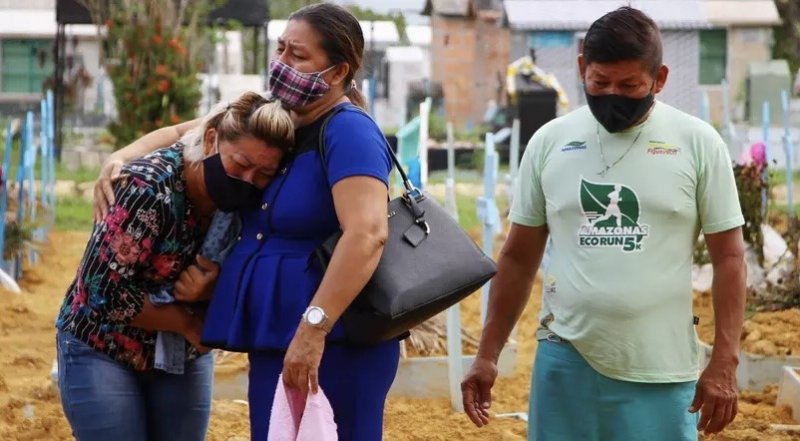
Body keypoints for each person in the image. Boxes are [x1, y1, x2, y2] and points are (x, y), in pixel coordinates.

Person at [92, 4, 399, 440]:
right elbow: (186, 133)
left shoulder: (349, 131)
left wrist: (314, 328)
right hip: (276, 335)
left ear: (336, 72)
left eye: (297, 55)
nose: (281, 64)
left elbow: (367, 233)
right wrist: (121, 157)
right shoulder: (281, 122)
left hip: (335, 340)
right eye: (280, 50)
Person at [462, 7, 746, 441]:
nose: (613, 95)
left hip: (661, 368)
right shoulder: (550, 143)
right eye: (599, 82)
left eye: (629, 86)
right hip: (566, 361)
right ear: (582, 69)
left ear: (659, 78)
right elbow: (518, 257)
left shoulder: (697, 143)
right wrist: (487, 354)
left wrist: (725, 359)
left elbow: (729, 258)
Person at [56, 91, 294, 441]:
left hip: (183, 353)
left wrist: (214, 288)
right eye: (240, 164)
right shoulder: (147, 188)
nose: (248, 179)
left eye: (263, 173)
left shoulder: (252, 203)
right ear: (211, 140)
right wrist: (185, 322)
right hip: (103, 346)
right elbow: (101, 291)